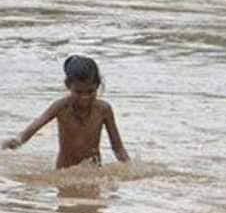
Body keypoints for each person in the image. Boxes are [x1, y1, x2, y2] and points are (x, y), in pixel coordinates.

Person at [1, 55, 130, 169]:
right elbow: (38, 123)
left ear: (97, 86)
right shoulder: (61, 107)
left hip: (93, 171)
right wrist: (18, 140)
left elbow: (117, 147)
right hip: (64, 172)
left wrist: (129, 168)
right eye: (78, 92)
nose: (84, 98)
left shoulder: (104, 109)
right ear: (68, 85)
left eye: (90, 92)